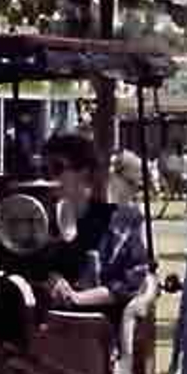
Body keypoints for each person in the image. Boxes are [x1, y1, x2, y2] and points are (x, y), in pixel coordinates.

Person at [39, 131, 151, 318]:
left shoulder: (122, 221)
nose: (50, 178)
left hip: (99, 325)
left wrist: (78, 298)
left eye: (57, 168)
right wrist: (52, 279)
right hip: (46, 324)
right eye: (44, 170)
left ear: (84, 172)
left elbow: (133, 280)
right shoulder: (37, 221)